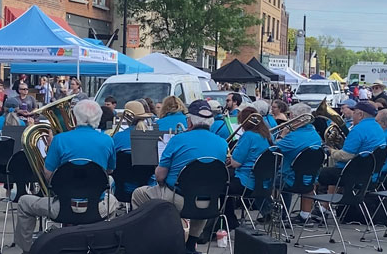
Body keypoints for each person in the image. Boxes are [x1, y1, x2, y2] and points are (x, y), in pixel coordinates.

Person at [14, 100, 117, 252]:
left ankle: (27, 250)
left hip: (62, 208)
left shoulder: (59, 140)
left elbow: (49, 176)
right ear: (98, 118)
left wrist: (51, 150)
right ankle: (104, 245)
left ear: (75, 117)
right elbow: (109, 172)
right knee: (112, 199)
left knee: (23, 202)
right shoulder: (108, 140)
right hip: (96, 207)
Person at [131, 100, 227, 254]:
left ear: (189, 121)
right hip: (210, 202)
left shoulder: (178, 140)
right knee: (202, 193)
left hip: (178, 198)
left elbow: (160, 176)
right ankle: (191, 245)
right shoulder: (222, 143)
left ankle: (150, 240)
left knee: (138, 194)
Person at [319, 102, 386, 214]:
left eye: (354, 113)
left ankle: (310, 212)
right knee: (334, 170)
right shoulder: (378, 128)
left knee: (316, 174)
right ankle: (326, 207)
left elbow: (346, 156)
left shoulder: (358, 129)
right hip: (369, 174)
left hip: (354, 175)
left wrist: (330, 151)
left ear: (360, 114)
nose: (352, 115)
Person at [225, 107, 273, 228]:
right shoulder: (266, 135)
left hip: (246, 181)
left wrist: (229, 158)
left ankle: (229, 221)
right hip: (261, 182)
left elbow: (236, 163)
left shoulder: (248, 136)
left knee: (220, 185)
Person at [275, 103, 322, 224]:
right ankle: (304, 215)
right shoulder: (315, 135)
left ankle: (275, 214)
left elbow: (273, 149)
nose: (289, 119)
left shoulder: (292, 138)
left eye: (291, 116)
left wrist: (282, 134)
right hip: (310, 181)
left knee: (263, 178)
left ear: (298, 118)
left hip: (290, 180)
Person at [113, 101, 153, 192]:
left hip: (121, 187)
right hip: (146, 188)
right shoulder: (152, 138)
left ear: (126, 119)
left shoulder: (117, 137)